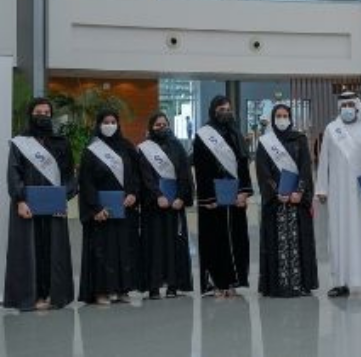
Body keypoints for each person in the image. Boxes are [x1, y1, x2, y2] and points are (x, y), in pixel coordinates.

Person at [3, 97, 77, 312]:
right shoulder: (19, 142)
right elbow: (13, 173)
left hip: (54, 205)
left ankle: (54, 296)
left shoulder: (61, 142)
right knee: (30, 251)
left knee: (53, 251)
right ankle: (31, 297)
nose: (43, 116)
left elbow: (70, 175)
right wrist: (20, 200)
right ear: (31, 114)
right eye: (39, 112)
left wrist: (65, 196)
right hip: (28, 206)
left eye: (47, 112)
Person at [317, 92, 361, 299]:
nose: (347, 107)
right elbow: (324, 160)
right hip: (337, 193)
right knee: (338, 234)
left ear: (357, 106)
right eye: (343, 104)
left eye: (350, 104)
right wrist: (322, 188)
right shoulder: (331, 129)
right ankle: (340, 282)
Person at [255, 103, 319, 298]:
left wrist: (299, 192)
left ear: (290, 118)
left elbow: (306, 169)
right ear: (273, 119)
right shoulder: (265, 142)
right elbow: (262, 171)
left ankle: (301, 284)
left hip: (297, 202)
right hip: (275, 203)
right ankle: (277, 285)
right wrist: (277, 192)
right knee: (276, 242)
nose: (282, 119)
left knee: (300, 241)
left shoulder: (299, 139)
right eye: (279, 116)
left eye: (285, 115)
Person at [77, 110, 140, 306]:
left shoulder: (127, 147)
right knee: (103, 251)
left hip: (125, 209)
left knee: (124, 250)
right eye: (106, 122)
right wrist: (95, 208)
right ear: (99, 124)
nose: (110, 125)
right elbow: (86, 181)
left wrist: (133, 193)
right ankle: (101, 291)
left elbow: (136, 175)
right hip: (101, 211)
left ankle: (122, 290)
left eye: (113, 121)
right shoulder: (91, 150)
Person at [193, 95, 253, 297]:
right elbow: (201, 170)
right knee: (215, 240)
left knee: (236, 239)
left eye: (228, 108)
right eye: (221, 108)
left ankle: (234, 281)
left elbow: (243, 165)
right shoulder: (203, 135)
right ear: (213, 110)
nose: (225, 111)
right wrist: (208, 198)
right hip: (213, 199)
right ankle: (218, 283)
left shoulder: (236, 133)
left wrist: (245, 192)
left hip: (235, 197)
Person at [135, 112, 193, 300]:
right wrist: (157, 195)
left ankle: (173, 286)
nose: (161, 127)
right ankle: (153, 286)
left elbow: (185, 175)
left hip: (174, 206)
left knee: (174, 245)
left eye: (164, 124)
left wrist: (181, 198)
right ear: (151, 127)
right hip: (153, 207)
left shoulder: (178, 147)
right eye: (157, 125)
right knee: (153, 246)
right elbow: (145, 177)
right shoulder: (144, 149)